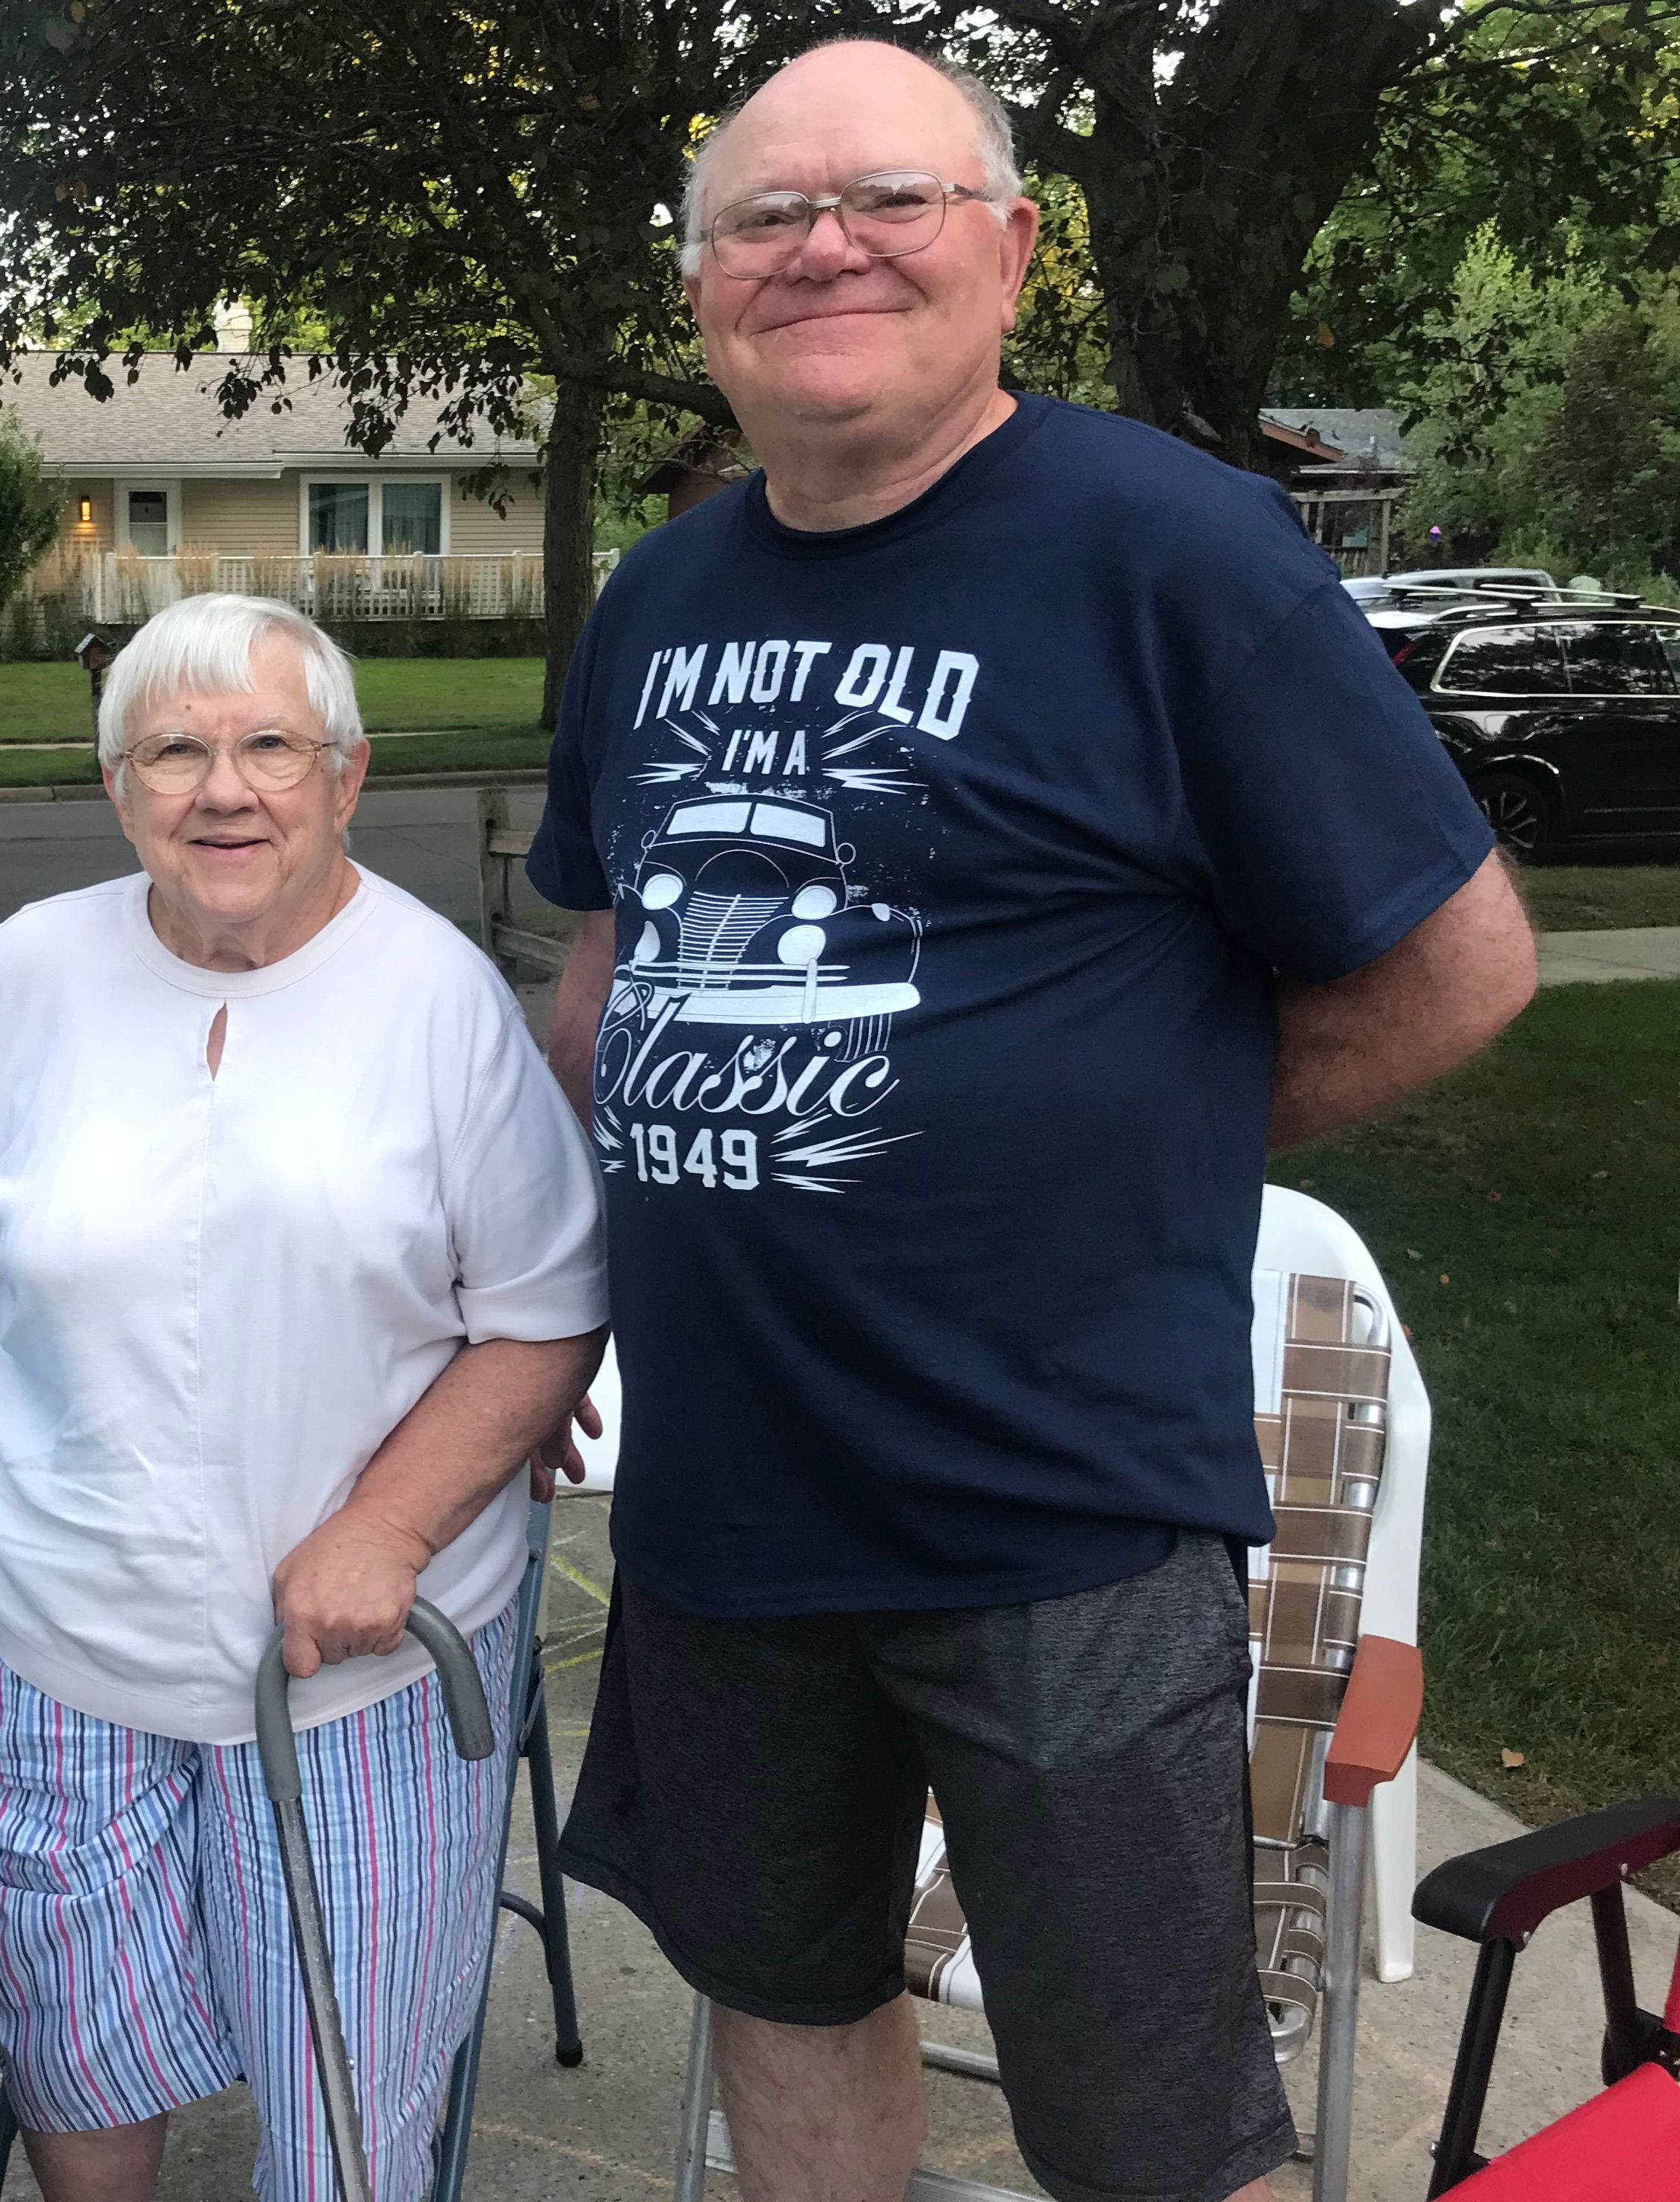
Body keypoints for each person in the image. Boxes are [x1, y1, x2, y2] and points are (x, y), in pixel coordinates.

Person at [527, 41, 1539, 2202]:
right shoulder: (659, 597)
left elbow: (1462, 967)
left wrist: (1154, 1135)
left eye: (884, 200)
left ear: (1007, 245)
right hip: (724, 1499)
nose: (821, 251)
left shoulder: (1175, 553)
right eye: (762, 220)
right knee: (786, 1991)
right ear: (702, 288)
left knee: (1152, 2109)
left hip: (1050, 1511)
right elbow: (611, 967)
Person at [0, 591, 606, 2202]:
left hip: (356, 1653)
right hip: (56, 1622)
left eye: (270, 745)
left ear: (347, 775)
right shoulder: (31, 971)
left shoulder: (437, 997)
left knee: (349, 2074)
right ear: (120, 789)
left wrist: (390, 1526)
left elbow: (542, 1320)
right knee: (76, 2023)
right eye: (174, 750)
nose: (223, 789)